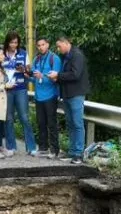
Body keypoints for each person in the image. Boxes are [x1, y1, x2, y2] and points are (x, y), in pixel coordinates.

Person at [49, 36, 89, 164]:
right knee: (70, 123)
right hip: (66, 94)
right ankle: (72, 152)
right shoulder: (65, 56)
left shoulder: (77, 55)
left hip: (76, 94)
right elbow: (66, 75)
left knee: (77, 124)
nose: (58, 49)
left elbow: (75, 74)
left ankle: (78, 153)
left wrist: (58, 75)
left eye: (59, 46)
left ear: (66, 43)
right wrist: (57, 78)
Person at [1, 32, 37, 157]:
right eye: (11, 42)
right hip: (7, 89)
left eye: (16, 42)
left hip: (21, 88)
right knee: (8, 118)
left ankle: (31, 147)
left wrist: (24, 70)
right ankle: (11, 147)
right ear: (7, 42)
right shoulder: (2, 54)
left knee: (25, 118)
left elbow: (29, 70)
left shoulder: (23, 53)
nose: (14, 45)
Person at [31, 37, 61, 158]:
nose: (41, 47)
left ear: (48, 45)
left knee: (51, 123)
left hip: (50, 96)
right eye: (38, 45)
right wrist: (27, 75)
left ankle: (54, 150)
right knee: (41, 123)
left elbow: (56, 78)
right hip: (39, 96)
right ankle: (43, 147)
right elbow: (34, 78)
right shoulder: (36, 59)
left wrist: (42, 76)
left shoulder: (54, 58)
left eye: (43, 44)